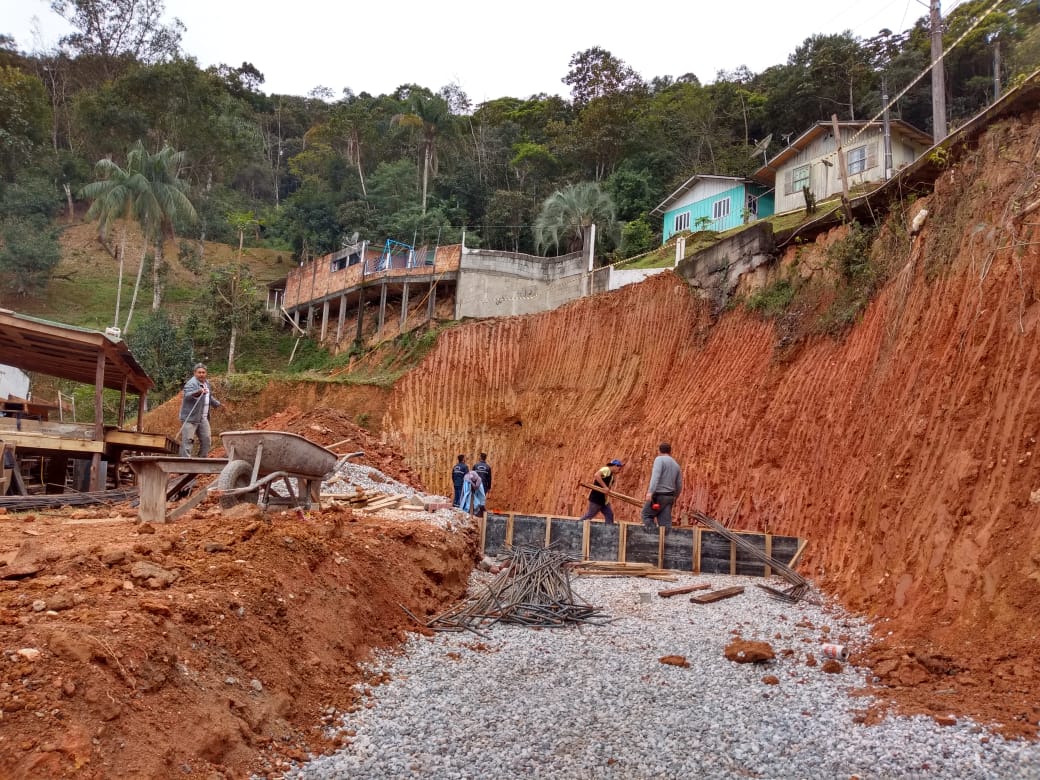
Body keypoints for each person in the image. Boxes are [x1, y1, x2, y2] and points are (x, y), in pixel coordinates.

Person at [178, 363, 221, 458]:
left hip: (203, 418)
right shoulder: (191, 384)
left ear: (206, 373)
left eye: (203, 372)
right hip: (190, 418)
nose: (201, 374)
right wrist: (198, 392)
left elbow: (208, 396)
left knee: (206, 440)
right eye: (199, 372)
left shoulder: (206, 383)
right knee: (188, 441)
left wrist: (217, 404)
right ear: (195, 373)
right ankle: (184, 465)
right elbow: (188, 396)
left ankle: (201, 461)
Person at [641, 442, 682, 529]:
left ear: (659, 451)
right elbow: (679, 485)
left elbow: (655, 477)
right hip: (669, 498)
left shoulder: (659, 460)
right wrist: (675, 497)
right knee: (665, 524)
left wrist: (650, 492)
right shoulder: (676, 465)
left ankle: (655, 537)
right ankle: (666, 541)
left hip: (658, 496)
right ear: (670, 452)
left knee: (646, 515)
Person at [578, 459, 624, 524]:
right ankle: (576, 525)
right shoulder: (606, 469)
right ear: (615, 465)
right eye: (619, 467)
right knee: (590, 514)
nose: (620, 469)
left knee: (609, 515)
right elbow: (597, 475)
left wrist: (607, 492)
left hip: (604, 500)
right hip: (596, 498)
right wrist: (605, 487)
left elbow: (608, 489)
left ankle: (608, 531)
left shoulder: (612, 477)